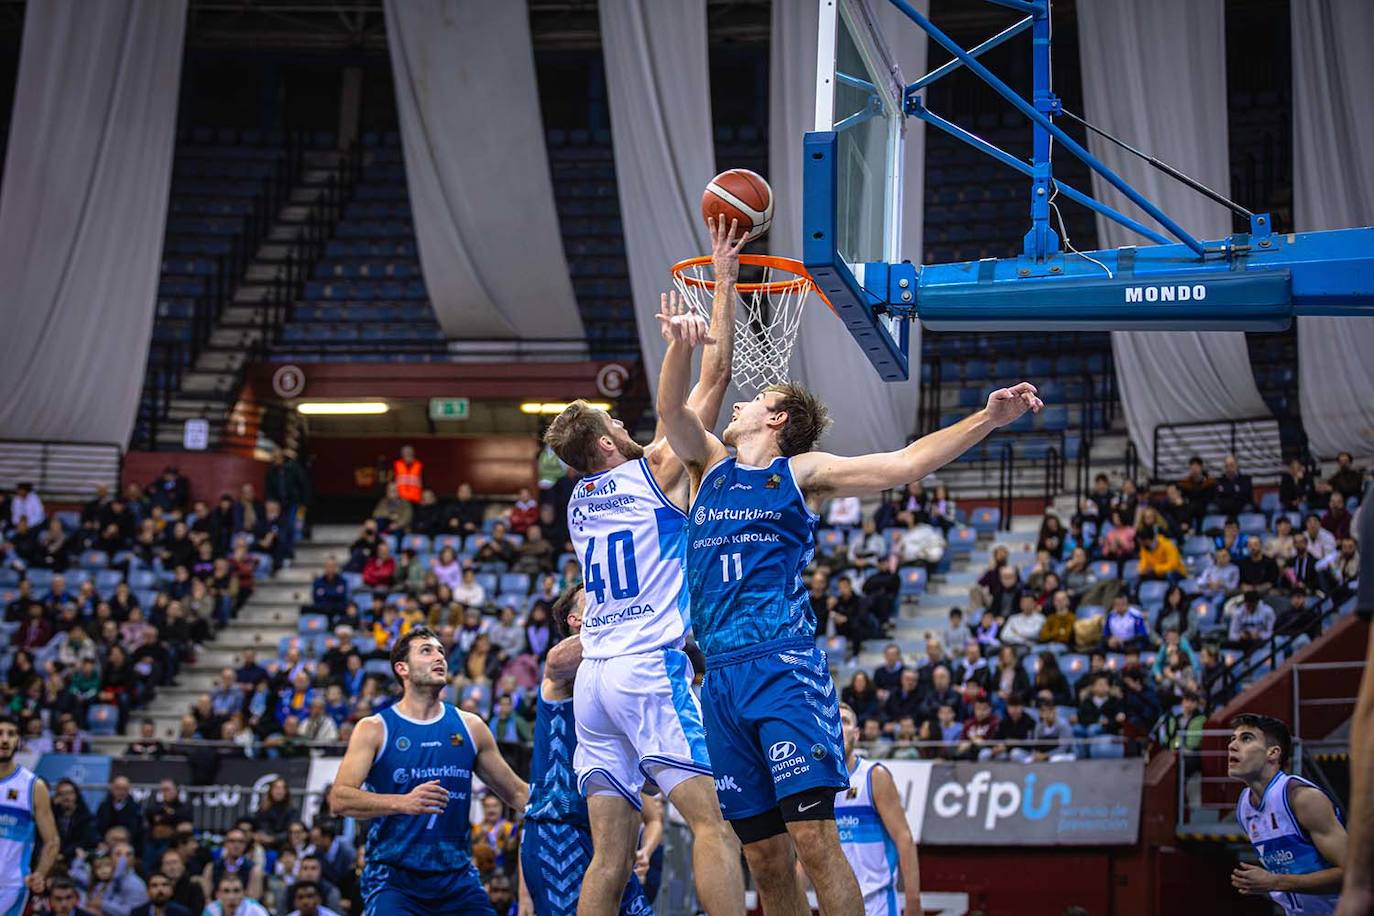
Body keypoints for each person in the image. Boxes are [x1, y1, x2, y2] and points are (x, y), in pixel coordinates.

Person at [654, 297, 1040, 911]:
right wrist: (681, 342)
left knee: (812, 837)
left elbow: (906, 463)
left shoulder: (800, 472)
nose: (739, 403)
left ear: (777, 418)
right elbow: (671, 408)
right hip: (720, 678)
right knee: (763, 857)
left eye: (755, 400)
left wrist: (987, 419)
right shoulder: (707, 464)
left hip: (781, 668)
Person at [540, 217, 748, 916]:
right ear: (604, 442)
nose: (625, 425)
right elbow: (713, 375)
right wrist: (723, 277)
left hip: (594, 682)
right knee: (714, 825)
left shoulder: (578, 502)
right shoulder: (654, 473)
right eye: (612, 423)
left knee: (608, 853)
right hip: (644, 669)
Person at [329, 626, 529, 914]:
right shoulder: (374, 728)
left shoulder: (470, 727)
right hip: (393, 879)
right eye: (426, 651)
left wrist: (571, 809)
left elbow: (518, 793)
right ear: (403, 669)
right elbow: (339, 799)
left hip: (457, 877)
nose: (439, 657)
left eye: (441, 652)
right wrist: (403, 802)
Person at [519, 585, 653, 915]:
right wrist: (635, 617)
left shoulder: (621, 682)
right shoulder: (562, 675)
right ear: (575, 619)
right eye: (594, 599)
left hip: (611, 833)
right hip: (558, 830)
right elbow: (555, 660)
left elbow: (650, 783)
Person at [1229, 714, 1346, 912]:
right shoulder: (1244, 807)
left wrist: (1276, 882)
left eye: (1246, 738)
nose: (1232, 746)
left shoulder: (1302, 798)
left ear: (1272, 753)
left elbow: (1356, 875)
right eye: (1232, 739)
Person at [831, 703, 921, 915]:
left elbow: (904, 839)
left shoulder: (874, 776)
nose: (839, 726)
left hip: (878, 905)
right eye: (834, 720)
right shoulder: (818, 787)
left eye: (845, 721)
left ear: (857, 734)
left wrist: (914, 900)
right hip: (836, 906)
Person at [0, 714, 60, 913]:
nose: (5, 739)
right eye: (0, 733)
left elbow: (52, 841)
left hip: (12, 888)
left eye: (11, 734)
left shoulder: (33, 786)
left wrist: (39, 874)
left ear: (18, 741)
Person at [204, 873, 269, 916]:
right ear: (218, 895)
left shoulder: (255, 911)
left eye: (236, 891)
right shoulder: (210, 911)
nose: (231, 897)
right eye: (226, 891)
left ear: (244, 893)